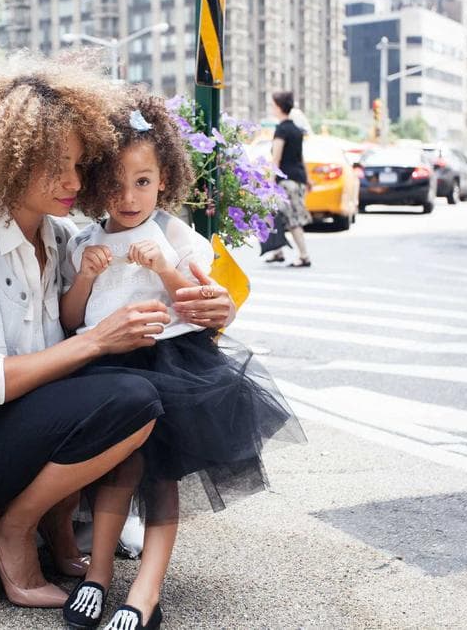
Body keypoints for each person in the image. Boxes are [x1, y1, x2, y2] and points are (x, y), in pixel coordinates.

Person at [0, 53, 239, 611]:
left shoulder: (63, 239)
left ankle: (60, 532)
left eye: (82, 166)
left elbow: (158, 290)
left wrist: (218, 307)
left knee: (133, 392)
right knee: (131, 396)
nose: (73, 182)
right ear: (8, 162)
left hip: (33, 433)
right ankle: (13, 526)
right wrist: (99, 339)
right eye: (55, 166)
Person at [59, 92, 305, 630]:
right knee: (115, 471)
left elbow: (203, 311)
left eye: (142, 182)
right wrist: (86, 277)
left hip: (173, 366)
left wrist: (167, 269)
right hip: (109, 365)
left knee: (161, 477)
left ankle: (146, 591)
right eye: (117, 184)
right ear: (98, 184)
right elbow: (71, 316)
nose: (129, 197)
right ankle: (97, 575)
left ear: (164, 179)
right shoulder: (84, 241)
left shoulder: (176, 235)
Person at [270, 91, 313, 267]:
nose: (272, 108)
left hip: (286, 181)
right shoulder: (296, 129)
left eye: (273, 105)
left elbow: (276, 158)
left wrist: (271, 181)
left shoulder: (282, 129)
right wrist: (308, 179)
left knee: (292, 218)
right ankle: (277, 251)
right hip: (299, 179)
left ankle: (304, 256)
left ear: (279, 107)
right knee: (275, 214)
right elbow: (300, 157)